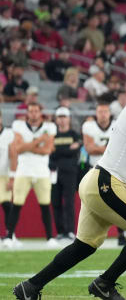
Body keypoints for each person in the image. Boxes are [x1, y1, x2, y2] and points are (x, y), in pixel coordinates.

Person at [12, 65, 126, 300]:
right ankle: (105, 282)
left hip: (100, 181)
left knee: (83, 246)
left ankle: (30, 287)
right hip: (107, 182)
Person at [4, 103, 57, 248]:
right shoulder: (19, 125)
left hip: (42, 172)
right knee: (17, 204)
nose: (33, 114)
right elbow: (18, 148)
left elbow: (47, 150)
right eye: (31, 111)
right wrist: (39, 141)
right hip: (23, 171)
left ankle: (50, 238)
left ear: (40, 113)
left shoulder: (49, 127)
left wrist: (29, 146)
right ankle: (9, 236)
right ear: (27, 113)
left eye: (36, 111)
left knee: (45, 205)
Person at [81, 103, 116, 242]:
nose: (102, 114)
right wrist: (109, 149)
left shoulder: (117, 124)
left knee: (117, 202)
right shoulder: (89, 126)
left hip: (113, 171)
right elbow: (89, 149)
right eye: (100, 111)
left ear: (109, 113)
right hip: (94, 169)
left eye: (105, 111)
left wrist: (99, 147)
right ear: (96, 113)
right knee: (90, 202)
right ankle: (87, 234)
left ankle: (121, 234)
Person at [49, 107, 82, 241]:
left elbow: (73, 153)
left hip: (70, 173)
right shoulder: (53, 135)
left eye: (64, 117)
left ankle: (69, 231)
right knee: (56, 202)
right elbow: (51, 152)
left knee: (69, 203)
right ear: (56, 119)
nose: (62, 120)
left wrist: (58, 151)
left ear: (69, 118)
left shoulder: (75, 134)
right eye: (60, 117)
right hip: (54, 172)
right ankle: (60, 232)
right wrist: (68, 149)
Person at [0, 111, 15, 239]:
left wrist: (12, 176)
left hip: (4, 175)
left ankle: (10, 234)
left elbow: (13, 156)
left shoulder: (9, 134)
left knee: (6, 204)